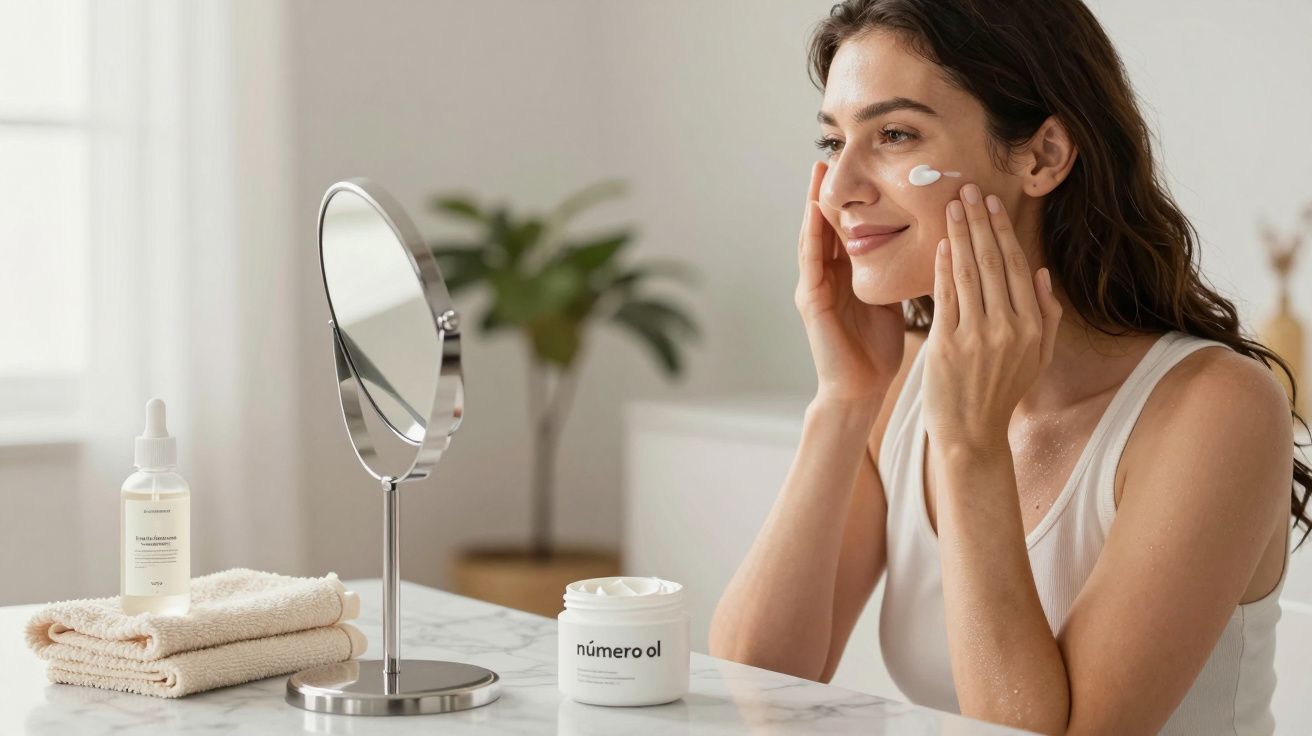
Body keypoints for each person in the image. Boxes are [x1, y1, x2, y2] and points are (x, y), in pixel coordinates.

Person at [708, 2, 1309, 734]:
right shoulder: (901, 387)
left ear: (1042, 156)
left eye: (895, 134)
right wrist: (844, 398)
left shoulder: (1216, 409)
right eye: (834, 141)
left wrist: (969, 445)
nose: (838, 188)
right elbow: (756, 684)